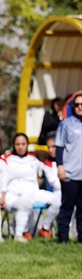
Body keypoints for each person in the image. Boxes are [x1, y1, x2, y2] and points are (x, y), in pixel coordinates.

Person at [4, 133, 60, 241]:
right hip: (14, 194)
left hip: (33, 192)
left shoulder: (33, 159)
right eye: (17, 144)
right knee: (25, 202)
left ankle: (45, 227)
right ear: (14, 145)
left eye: (23, 144)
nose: (20, 147)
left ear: (27, 145)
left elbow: (47, 169)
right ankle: (20, 234)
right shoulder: (7, 159)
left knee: (56, 200)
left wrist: (55, 182)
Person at [54, 92, 82, 244]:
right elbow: (59, 147)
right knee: (67, 207)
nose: (79, 107)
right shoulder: (65, 124)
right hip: (70, 173)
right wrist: (60, 167)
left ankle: (81, 238)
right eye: (76, 105)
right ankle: (63, 238)